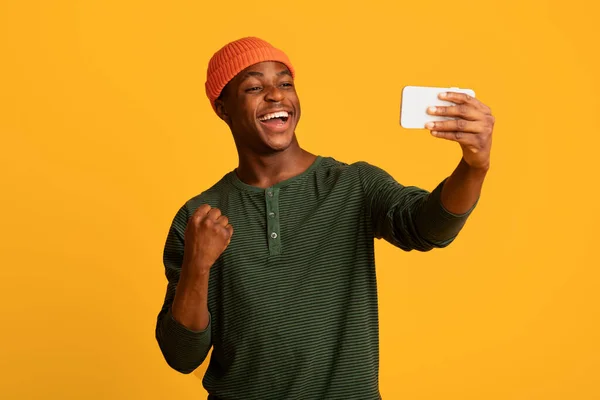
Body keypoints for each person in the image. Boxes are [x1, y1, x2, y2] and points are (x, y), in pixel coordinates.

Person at [155, 37, 495, 400]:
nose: (275, 95)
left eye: (285, 83)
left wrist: (474, 167)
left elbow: (427, 228)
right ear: (223, 109)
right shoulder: (199, 217)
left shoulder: (354, 184)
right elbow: (182, 355)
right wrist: (197, 265)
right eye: (255, 86)